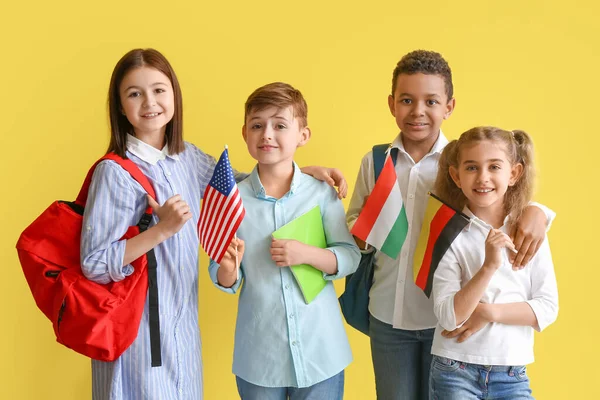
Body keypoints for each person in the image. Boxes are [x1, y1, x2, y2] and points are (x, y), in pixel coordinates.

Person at [81, 49, 347, 400]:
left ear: (174, 94)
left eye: (159, 90)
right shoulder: (113, 173)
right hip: (137, 335)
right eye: (135, 93)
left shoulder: (186, 157)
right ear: (120, 106)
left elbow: (246, 186)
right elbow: (94, 264)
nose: (150, 102)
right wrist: (161, 231)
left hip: (183, 336)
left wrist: (301, 172)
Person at [346, 50, 554, 399]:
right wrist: (367, 231)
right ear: (392, 104)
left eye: (431, 101)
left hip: (446, 320)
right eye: (407, 100)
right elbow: (355, 220)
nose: (418, 111)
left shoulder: (462, 162)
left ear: (449, 107)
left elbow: (497, 197)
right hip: (387, 311)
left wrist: (538, 210)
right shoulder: (376, 160)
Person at [209, 82, 360, 400]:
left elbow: (350, 256)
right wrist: (227, 267)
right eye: (257, 125)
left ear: (302, 135)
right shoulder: (232, 200)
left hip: (322, 352)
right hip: (259, 357)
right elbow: (222, 279)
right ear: (244, 133)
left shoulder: (321, 193)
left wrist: (308, 254)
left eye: (280, 125)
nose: (267, 134)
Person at [429, 126, 559, 399]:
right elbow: (448, 316)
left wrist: (489, 313)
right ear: (456, 175)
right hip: (455, 370)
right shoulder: (448, 232)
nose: (483, 178)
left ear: (513, 174)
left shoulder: (530, 233)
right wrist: (488, 266)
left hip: (512, 372)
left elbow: (547, 308)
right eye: (472, 167)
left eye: (494, 167)